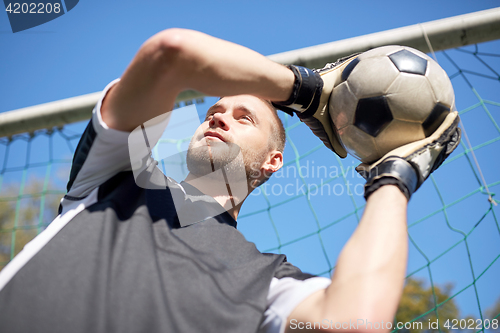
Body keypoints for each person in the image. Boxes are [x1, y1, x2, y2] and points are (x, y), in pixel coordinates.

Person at [0, 29, 460, 333]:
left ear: (273, 161)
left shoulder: (266, 279)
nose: (219, 117)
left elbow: (355, 321)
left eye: (245, 117)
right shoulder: (117, 175)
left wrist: (394, 177)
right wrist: (304, 90)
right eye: (213, 111)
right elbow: (170, 55)